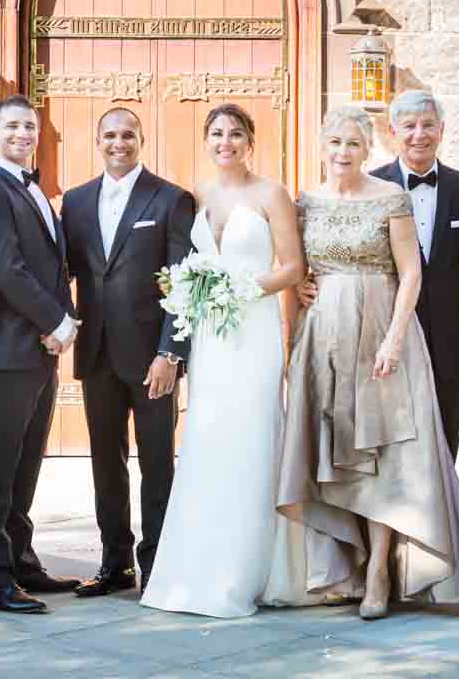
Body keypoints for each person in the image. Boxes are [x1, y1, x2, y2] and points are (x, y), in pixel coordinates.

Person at [273, 105, 459, 620]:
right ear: (321, 147)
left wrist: (393, 341)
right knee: (335, 449)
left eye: (352, 143)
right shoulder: (306, 202)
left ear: (368, 148)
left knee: (385, 456)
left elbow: (410, 272)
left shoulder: (389, 197)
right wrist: (292, 329)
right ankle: (349, 565)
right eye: (334, 143)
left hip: (381, 336)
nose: (343, 152)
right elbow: (294, 269)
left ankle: (380, 573)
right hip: (323, 338)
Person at [141, 103, 306, 619]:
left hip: (252, 333)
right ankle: (197, 568)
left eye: (236, 133)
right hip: (211, 338)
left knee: (251, 439)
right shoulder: (198, 196)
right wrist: (193, 290)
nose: (225, 141)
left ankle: (250, 569)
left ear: (250, 140)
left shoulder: (270, 194)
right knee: (207, 441)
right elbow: (190, 264)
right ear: (207, 140)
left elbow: (293, 267)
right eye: (216, 133)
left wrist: (240, 288)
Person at [299, 90, 459, 456]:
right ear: (391, 132)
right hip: (380, 331)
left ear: (442, 130)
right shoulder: (368, 185)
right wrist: (304, 283)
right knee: (389, 442)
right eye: (409, 126)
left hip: (450, 337)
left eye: (428, 125)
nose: (419, 134)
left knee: (445, 444)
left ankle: (439, 514)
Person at [61, 107, 197, 598]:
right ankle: (114, 561)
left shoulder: (171, 199)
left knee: (158, 462)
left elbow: (184, 283)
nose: (118, 143)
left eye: (128, 135)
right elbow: (65, 275)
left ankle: (158, 564)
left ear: (142, 139)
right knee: (106, 462)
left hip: (151, 359)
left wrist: (170, 352)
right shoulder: (75, 202)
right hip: (97, 354)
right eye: (110, 135)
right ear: (98, 140)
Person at [0, 95, 82, 614]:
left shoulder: (35, 191)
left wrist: (65, 325)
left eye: (30, 126)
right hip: (10, 350)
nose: (22, 133)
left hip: (42, 351)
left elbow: (56, 271)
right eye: (11, 126)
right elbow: (8, 271)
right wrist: (57, 321)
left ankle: (20, 559)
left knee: (26, 465)